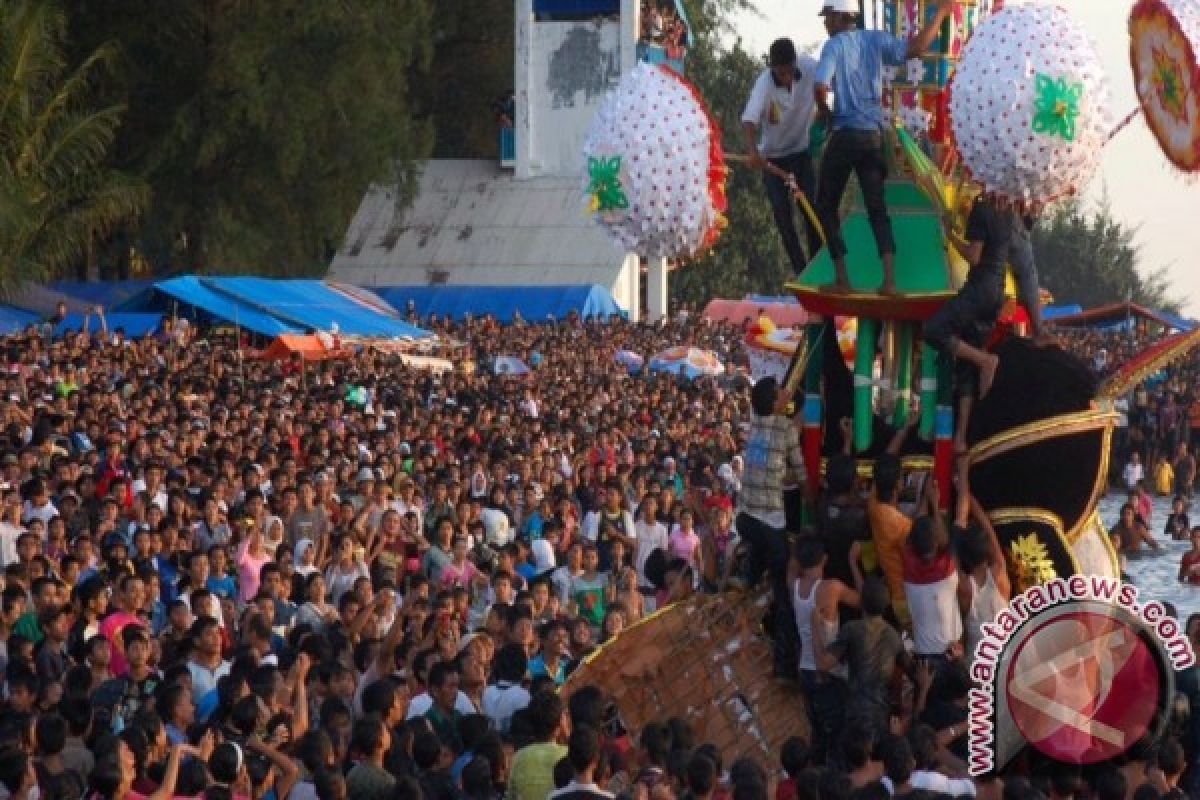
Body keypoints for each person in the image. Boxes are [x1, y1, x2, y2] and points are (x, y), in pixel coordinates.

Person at [813, 0, 955, 295]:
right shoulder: (875, 39)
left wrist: (824, 112)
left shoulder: (835, 46)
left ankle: (842, 279)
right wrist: (941, 13)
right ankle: (890, 281)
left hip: (847, 133)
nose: (825, 23)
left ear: (841, 17)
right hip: (874, 137)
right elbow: (915, 49)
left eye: (827, 17)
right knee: (878, 209)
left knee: (825, 205)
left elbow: (820, 86)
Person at [930, 194, 1018, 448]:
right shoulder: (1008, 210)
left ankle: (986, 361)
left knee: (935, 330)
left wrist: (951, 235)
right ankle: (968, 434)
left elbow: (974, 256)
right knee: (968, 365)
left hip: (979, 289)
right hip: (997, 293)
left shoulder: (982, 208)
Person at [736, 377, 805, 680]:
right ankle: (784, 666)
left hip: (745, 519)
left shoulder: (757, 423)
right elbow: (802, 474)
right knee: (785, 592)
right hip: (769, 523)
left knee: (758, 570)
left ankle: (747, 580)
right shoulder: (785, 427)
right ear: (776, 401)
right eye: (780, 393)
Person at [741, 38, 822, 274]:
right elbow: (749, 121)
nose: (786, 77)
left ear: (796, 64)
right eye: (781, 72)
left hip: (800, 153)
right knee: (782, 214)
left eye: (790, 71)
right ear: (773, 68)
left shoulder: (809, 68)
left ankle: (818, 265)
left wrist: (825, 107)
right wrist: (752, 152)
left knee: (811, 209)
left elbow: (829, 76)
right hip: (773, 160)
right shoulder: (763, 85)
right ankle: (801, 271)